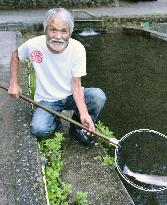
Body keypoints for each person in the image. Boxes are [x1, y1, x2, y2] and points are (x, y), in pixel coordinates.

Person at [8, 8, 106, 145]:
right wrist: (13, 82)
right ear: (45, 29)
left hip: (70, 96)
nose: (58, 36)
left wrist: (84, 113)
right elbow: (15, 55)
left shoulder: (77, 49)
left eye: (63, 31)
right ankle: (54, 120)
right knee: (39, 129)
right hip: (46, 100)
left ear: (70, 33)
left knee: (97, 96)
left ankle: (77, 128)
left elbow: (76, 85)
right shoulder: (34, 45)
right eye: (53, 30)